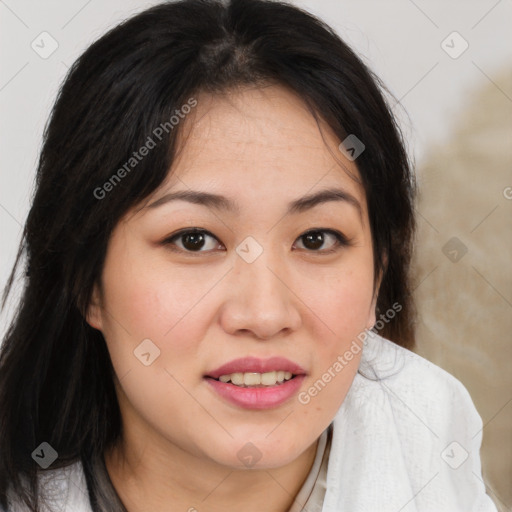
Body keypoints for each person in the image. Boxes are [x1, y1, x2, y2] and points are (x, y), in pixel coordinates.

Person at [0, 0, 498, 510]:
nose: (264, 315)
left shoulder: (431, 440)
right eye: (194, 239)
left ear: (378, 278)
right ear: (86, 281)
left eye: (316, 239)